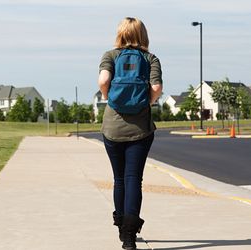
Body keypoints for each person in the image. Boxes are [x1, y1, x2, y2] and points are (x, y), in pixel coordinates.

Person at [98, 17, 162, 250]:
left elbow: (103, 79)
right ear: (143, 35)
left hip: (112, 127)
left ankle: (120, 225)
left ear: (120, 34)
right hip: (140, 130)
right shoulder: (150, 58)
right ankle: (129, 237)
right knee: (134, 178)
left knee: (118, 178)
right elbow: (156, 88)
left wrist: (108, 97)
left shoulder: (111, 56)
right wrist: (147, 102)